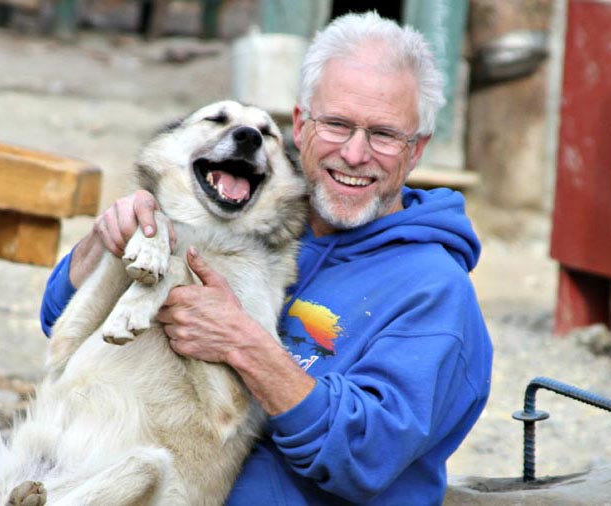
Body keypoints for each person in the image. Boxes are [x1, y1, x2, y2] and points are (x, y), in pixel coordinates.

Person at [40, 11, 493, 505]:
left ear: (417, 149)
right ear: (300, 125)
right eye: (337, 124)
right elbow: (58, 321)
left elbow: (366, 456)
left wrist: (246, 346)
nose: (356, 154)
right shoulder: (253, 222)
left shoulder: (434, 291)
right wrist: (107, 241)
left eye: (383, 135)